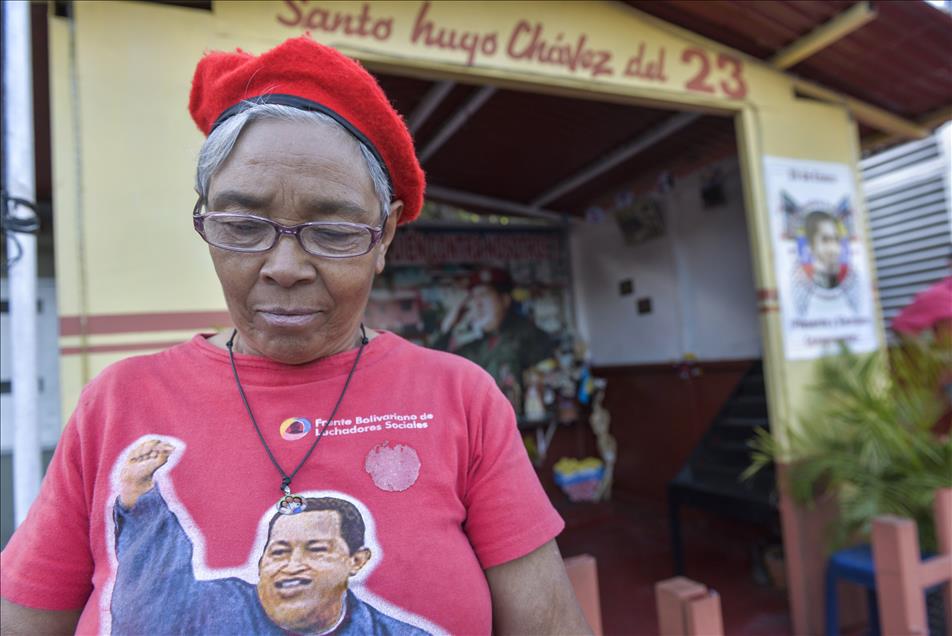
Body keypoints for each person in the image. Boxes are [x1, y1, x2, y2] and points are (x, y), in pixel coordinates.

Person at [0, 36, 590, 635]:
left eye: (332, 231)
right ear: (206, 219)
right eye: (243, 225)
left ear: (384, 237)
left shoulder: (462, 400)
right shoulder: (117, 404)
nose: (284, 267)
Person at [109, 440, 426, 635]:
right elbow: (155, 597)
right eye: (278, 552)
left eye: (316, 549)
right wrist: (142, 497)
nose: (292, 565)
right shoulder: (213, 607)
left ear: (356, 560)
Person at [434, 268, 556, 408]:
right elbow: (434, 367)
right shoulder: (475, 346)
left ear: (504, 300)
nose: (478, 304)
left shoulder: (530, 335)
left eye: (484, 295)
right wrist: (448, 329)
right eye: (474, 297)